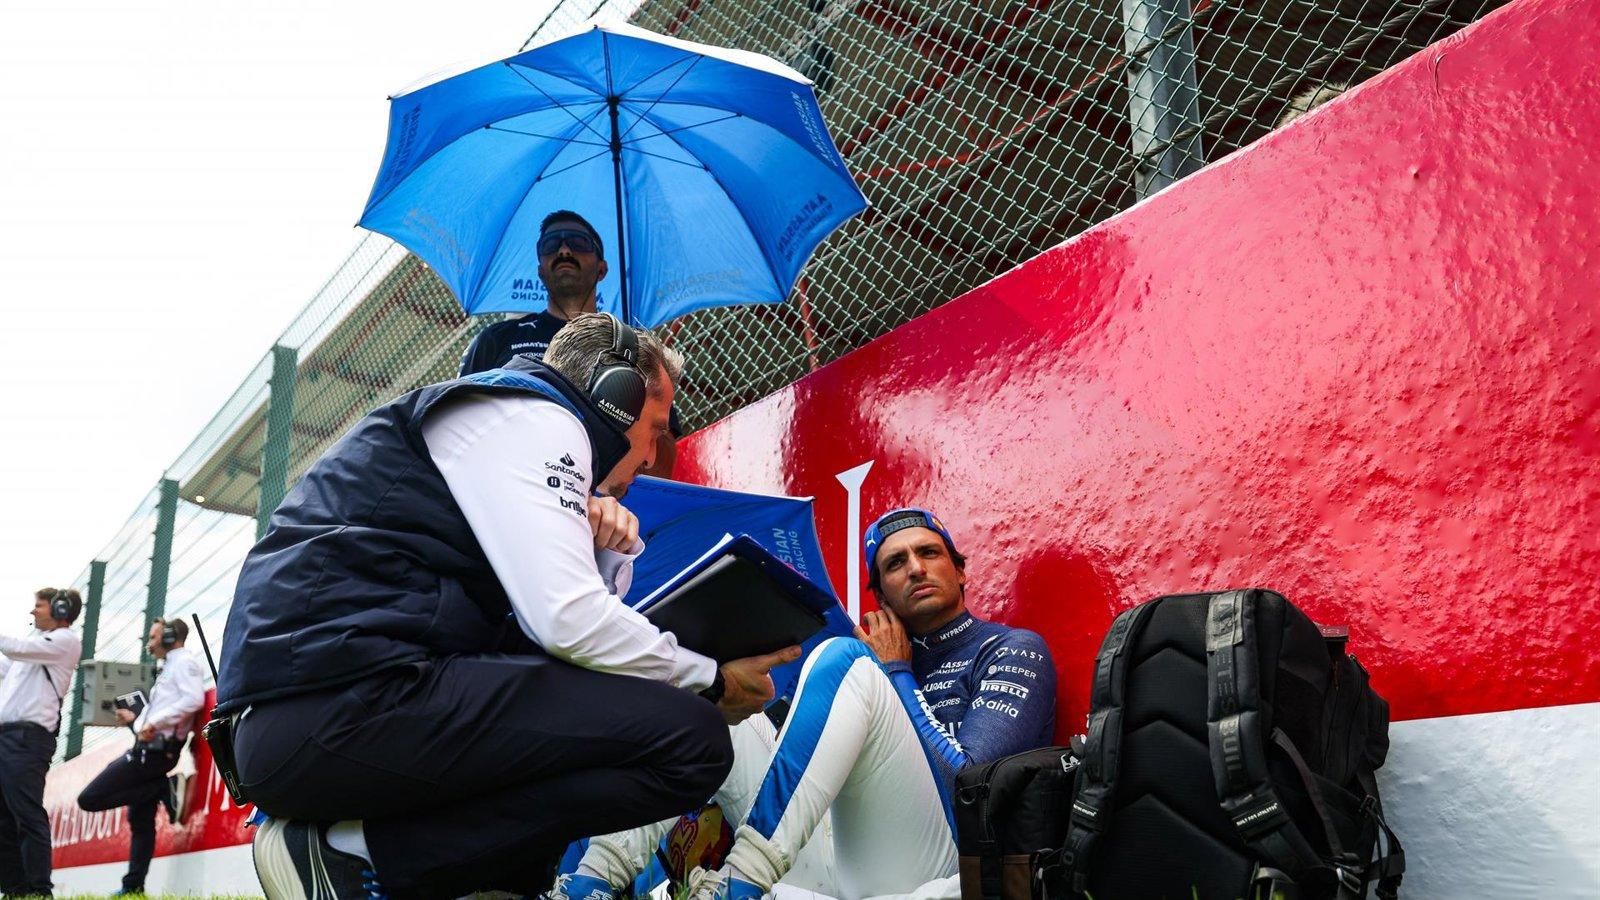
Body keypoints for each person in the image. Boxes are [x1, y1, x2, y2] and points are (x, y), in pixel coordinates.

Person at [216, 313, 798, 900]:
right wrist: (709, 682)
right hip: (333, 708)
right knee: (690, 739)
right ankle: (354, 853)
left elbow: (551, 651)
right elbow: (570, 624)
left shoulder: (510, 424)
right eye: (655, 426)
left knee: (586, 720)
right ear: (615, 395)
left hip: (312, 720)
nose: (652, 456)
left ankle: (494, 885)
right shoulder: (542, 419)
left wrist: (598, 551)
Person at [554, 508, 1058, 900]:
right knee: (722, 702)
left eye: (929, 553)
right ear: (880, 593)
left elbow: (970, 790)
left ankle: (741, 884)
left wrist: (897, 674)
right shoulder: (874, 666)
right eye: (895, 564)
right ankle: (592, 881)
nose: (916, 569)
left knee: (844, 659)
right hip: (833, 859)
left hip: (948, 865)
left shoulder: (1011, 649)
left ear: (961, 570)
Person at [458, 210, 681, 478]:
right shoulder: (498, 339)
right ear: (540, 269)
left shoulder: (633, 350)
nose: (564, 250)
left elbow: (662, 461)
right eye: (551, 245)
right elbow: (460, 425)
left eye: (578, 242)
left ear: (602, 268)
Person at [76, 618, 207, 895]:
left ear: (170, 636)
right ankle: (134, 886)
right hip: (151, 748)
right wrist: (136, 720)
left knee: (89, 798)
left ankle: (162, 788)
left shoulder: (184, 663)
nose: (149, 643)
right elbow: (163, 712)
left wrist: (152, 723)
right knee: (141, 823)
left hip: (157, 754)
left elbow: (193, 700)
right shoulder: (171, 665)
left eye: (154, 636)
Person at [0, 588, 83, 898]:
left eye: (39, 606)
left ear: (60, 610)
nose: (33, 612)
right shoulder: (35, 648)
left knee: (26, 812)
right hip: (8, 737)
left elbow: (15, 648)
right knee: (4, 816)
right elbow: (6, 666)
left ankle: (38, 888)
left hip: (28, 739)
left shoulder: (65, 641)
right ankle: (14, 888)